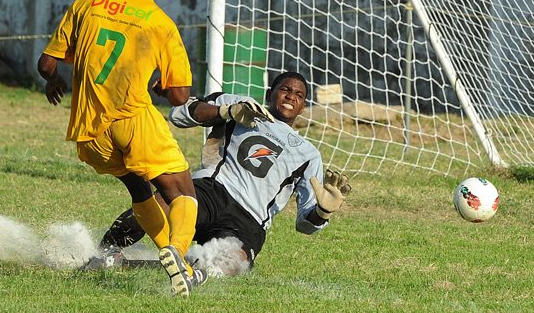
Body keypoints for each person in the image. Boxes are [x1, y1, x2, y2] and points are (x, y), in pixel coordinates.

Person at [37, 0, 264, 296]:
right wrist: (162, 87)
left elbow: (47, 63)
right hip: (132, 120)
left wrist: (53, 82)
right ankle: (179, 256)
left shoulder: (85, 4)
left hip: (89, 129)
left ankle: (173, 260)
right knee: (182, 190)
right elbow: (180, 96)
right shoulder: (159, 22)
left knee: (138, 187)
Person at [90, 71, 352, 275]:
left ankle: (146, 267)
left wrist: (323, 211)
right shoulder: (241, 105)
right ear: (270, 92)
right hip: (211, 190)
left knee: (226, 266)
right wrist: (225, 112)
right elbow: (180, 114)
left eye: (298, 94)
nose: (291, 96)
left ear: (303, 106)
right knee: (158, 205)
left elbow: (305, 225)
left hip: (248, 221)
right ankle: (101, 253)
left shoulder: (308, 154)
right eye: (285, 89)